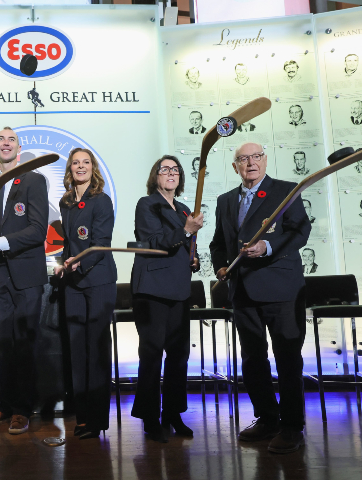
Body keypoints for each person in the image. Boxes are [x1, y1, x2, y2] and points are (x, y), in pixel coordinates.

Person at [210, 142, 311, 454]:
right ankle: (267, 419)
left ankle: (292, 426)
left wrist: (266, 247)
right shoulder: (225, 200)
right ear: (235, 167)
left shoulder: (286, 190)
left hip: (281, 289)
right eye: (243, 159)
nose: (250, 163)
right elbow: (218, 243)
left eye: (256, 157)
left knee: (287, 358)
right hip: (242, 290)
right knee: (253, 359)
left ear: (265, 160)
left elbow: (299, 231)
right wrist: (221, 266)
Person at [0, 127, 48, 435]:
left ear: (18, 149)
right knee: (0, 344)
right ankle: (3, 406)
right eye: (0, 139)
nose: (6, 143)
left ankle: (22, 410)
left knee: (24, 345)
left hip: (26, 275)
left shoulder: (34, 180)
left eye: (11, 140)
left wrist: (1, 243)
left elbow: (38, 230)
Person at [130, 155, 203, 443]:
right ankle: (150, 417)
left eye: (175, 169)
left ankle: (172, 413)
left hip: (179, 289)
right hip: (152, 289)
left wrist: (193, 258)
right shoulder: (146, 204)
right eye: (165, 169)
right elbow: (153, 241)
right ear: (156, 176)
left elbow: (186, 247)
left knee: (179, 354)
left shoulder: (184, 209)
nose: (171, 173)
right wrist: (186, 230)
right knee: (151, 355)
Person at [54, 148, 117, 440]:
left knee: (97, 351)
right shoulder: (66, 202)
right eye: (76, 163)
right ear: (70, 168)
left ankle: (97, 420)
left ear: (93, 168)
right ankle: (82, 417)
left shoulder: (101, 201)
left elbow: (101, 244)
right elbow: (69, 244)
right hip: (73, 284)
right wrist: (63, 264)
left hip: (98, 281)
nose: (81, 167)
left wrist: (79, 263)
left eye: (86, 162)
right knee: (77, 351)